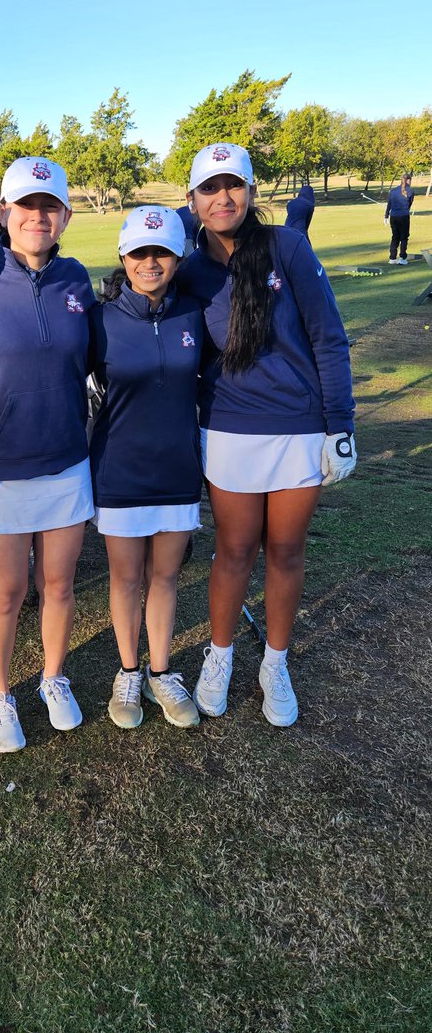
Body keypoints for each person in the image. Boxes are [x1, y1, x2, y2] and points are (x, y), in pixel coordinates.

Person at [176, 143, 356, 727]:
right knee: (233, 550)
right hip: (229, 429)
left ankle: (275, 664)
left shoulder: (288, 247)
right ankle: (220, 656)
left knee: (285, 550)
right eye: (209, 188)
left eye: (233, 185)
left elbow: (327, 336)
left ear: (251, 191)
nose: (222, 197)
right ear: (193, 200)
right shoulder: (188, 270)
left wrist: (340, 424)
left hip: (299, 428)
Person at [0, 158, 95, 753]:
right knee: (5, 594)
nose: (38, 216)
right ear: (2, 211)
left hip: (66, 460)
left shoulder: (78, 279)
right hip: (0, 469)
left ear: (65, 216)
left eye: (49, 206)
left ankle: (53, 679)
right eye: (26, 205)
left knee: (58, 585)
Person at [89, 207, 204, 730]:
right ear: (123, 256)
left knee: (165, 576)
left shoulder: (194, 314)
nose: (149, 262)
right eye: (139, 252)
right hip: (120, 470)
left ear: (178, 258)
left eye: (161, 252)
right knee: (126, 576)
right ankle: (129, 671)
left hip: (177, 468)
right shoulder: (100, 319)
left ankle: (160, 671)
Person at [385, 173, 414, 264]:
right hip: (404, 216)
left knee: (395, 237)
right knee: (404, 237)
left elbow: (389, 204)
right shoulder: (410, 191)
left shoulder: (393, 191)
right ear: (408, 180)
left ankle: (392, 258)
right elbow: (409, 204)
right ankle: (402, 258)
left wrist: (386, 216)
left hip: (393, 217)